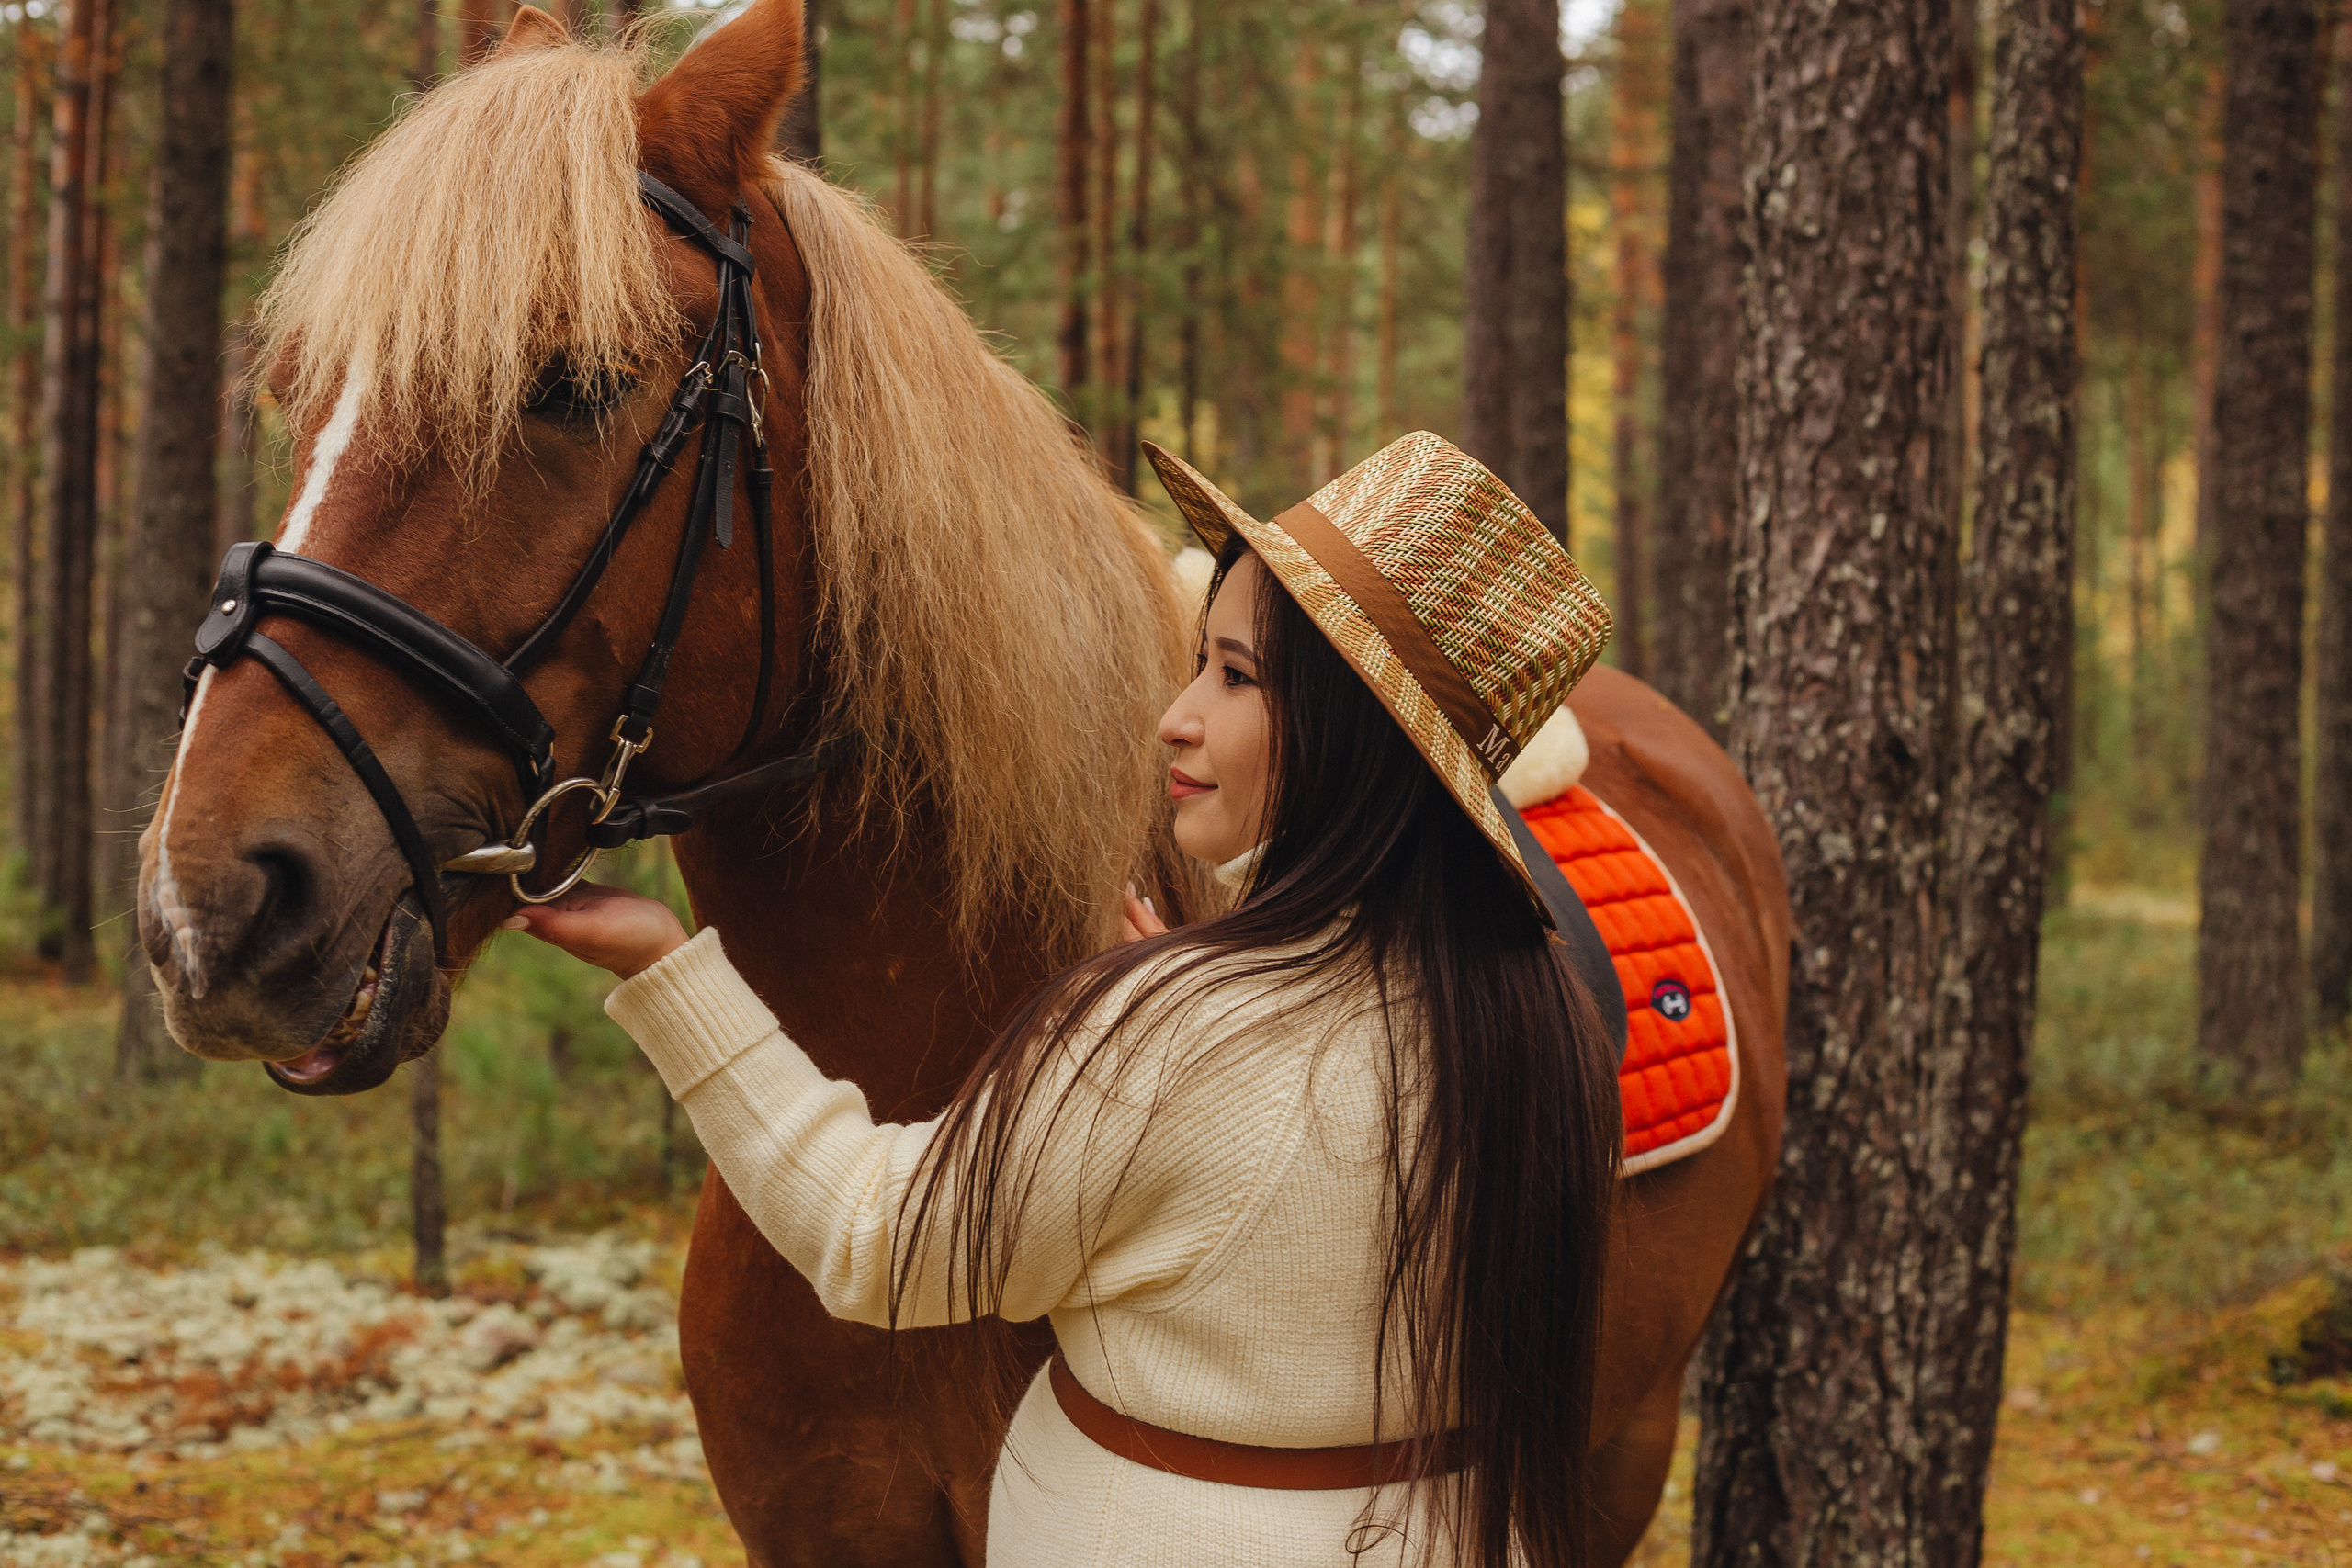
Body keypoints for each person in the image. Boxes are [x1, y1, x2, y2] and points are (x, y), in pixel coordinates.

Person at [503, 432, 1623, 1567]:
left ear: (1357, 737)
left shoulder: (1175, 1030)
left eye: (1235, 677)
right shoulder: (1544, 1023)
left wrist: (665, 969)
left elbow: (875, 1239)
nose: (1174, 718)